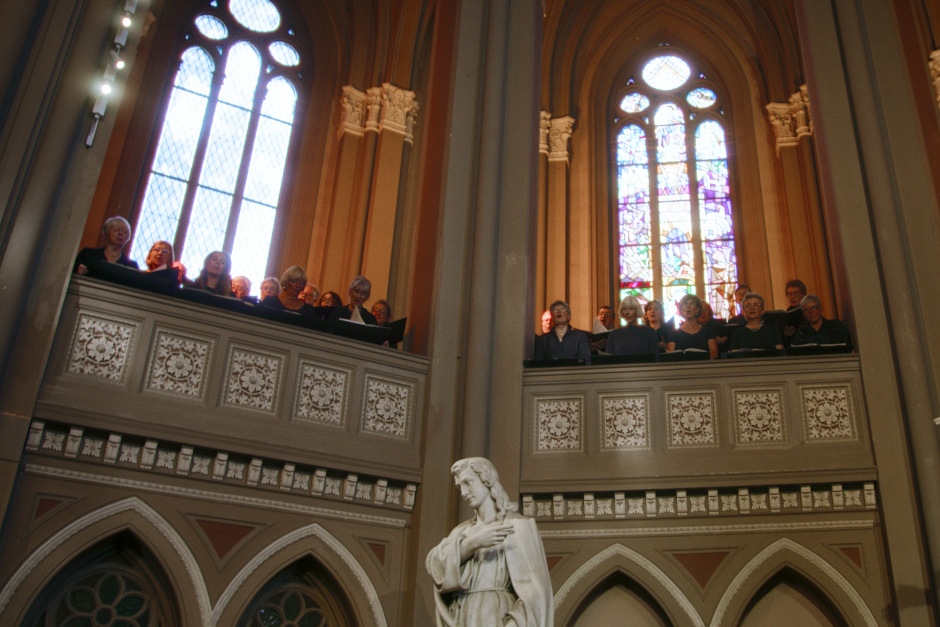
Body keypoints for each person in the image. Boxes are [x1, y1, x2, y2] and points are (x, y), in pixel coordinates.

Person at [426, 458, 553, 627]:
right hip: (462, 615)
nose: (464, 492)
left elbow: (536, 593)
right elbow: (435, 564)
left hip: (496, 614)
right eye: (459, 486)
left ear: (487, 480)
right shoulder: (462, 533)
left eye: (468, 482)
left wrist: (516, 623)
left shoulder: (518, 526)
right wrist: (472, 544)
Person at [73, 216, 139, 274]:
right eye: (116, 230)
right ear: (106, 232)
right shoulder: (88, 254)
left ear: (128, 238)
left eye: (124, 232)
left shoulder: (131, 266)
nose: (120, 234)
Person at [534, 300, 591, 364]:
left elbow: (586, 362)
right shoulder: (543, 339)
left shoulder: (580, 337)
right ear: (552, 317)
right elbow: (539, 364)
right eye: (555, 310)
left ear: (569, 316)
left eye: (562, 309)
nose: (558, 311)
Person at [667, 294, 718, 359]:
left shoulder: (708, 331)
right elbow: (670, 356)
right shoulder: (674, 333)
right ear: (681, 310)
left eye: (691, 304)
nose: (688, 307)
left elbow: (714, 352)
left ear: (697, 310)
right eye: (685, 304)